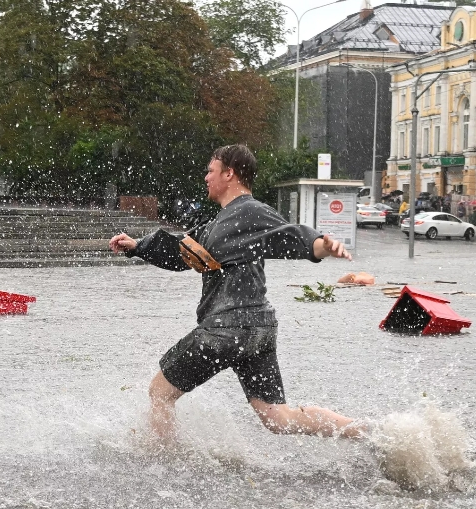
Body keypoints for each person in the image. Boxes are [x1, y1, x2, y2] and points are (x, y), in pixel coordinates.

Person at [109, 145, 365, 443]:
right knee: (277, 417)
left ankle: (163, 461)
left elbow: (291, 234)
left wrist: (322, 245)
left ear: (229, 173)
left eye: (211, 170)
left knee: (160, 392)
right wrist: (138, 245)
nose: (206, 177)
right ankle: (367, 431)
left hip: (226, 329)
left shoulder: (250, 210)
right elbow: (183, 250)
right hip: (258, 331)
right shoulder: (219, 223)